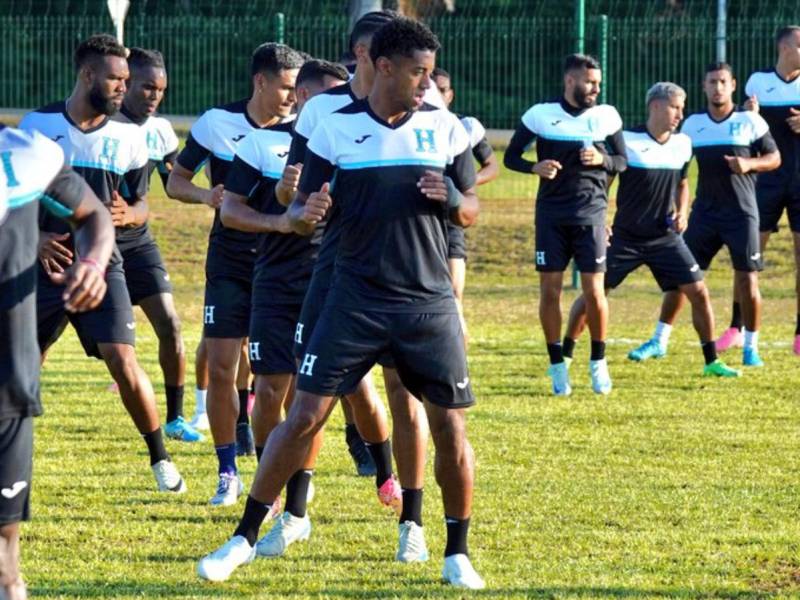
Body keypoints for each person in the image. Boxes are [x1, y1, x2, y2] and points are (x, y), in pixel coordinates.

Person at [197, 17, 485, 590]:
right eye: (418, 73)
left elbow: (472, 206)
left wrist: (453, 196)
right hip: (350, 298)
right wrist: (302, 214)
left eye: (431, 73)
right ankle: (243, 539)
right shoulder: (331, 127)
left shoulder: (444, 127)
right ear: (382, 67)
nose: (427, 84)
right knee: (305, 415)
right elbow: (302, 207)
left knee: (447, 425)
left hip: (426, 304)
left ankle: (455, 551)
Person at [22, 34, 186, 493]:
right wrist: (33, 239)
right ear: (88, 75)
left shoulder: (129, 138)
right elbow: (10, 198)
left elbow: (137, 204)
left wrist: (130, 214)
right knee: (21, 367)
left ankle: (160, 458)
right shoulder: (38, 126)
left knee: (122, 358)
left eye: (126, 81)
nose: (123, 89)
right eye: (116, 79)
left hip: (101, 265)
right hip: (43, 267)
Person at [166, 42, 305, 505]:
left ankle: (284, 467)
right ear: (260, 81)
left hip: (284, 266)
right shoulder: (216, 123)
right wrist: (206, 197)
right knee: (224, 365)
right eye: (286, 88)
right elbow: (175, 181)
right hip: (229, 259)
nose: (293, 97)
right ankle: (228, 472)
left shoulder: (306, 132)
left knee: (282, 380)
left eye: (298, 89)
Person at [0, 125, 114, 600]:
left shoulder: (27, 153)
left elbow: (94, 216)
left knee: (5, 562)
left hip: (6, 384)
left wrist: (91, 264)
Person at [563, 82, 740, 377]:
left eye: (682, 109)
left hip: (665, 238)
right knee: (593, 296)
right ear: (655, 106)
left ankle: (711, 362)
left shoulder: (682, 144)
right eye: (675, 107)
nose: (680, 115)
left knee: (699, 291)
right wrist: (601, 219)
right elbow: (602, 185)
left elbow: (683, 184)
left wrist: (682, 212)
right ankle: (565, 357)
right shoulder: (626, 140)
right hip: (625, 237)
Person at [630, 63, 780, 367]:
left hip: (742, 214)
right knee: (679, 279)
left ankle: (751, 347)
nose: (718, 88)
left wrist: (749, 165)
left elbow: (774, 157)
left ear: (733, 85)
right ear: (704, 86)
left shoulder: (749, 120)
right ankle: (659, 340)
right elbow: (676, 170)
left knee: (748, 281)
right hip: (705, 215)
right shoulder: (692, 125)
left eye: (723, 82)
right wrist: (678, 208)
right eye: (712, 82)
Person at [504, 53, 627, 396]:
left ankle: (598, 362)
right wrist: (535, 167)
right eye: (590, 82)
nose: (595, 89)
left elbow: (623, 162)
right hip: (551, 218)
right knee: (550, 292)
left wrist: (602, 159)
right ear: (570, 81)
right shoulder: (540, 115)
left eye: (598, 83)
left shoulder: (606, 117)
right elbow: (512, 156)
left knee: (594, 292)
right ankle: (558, 365)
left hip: (591, 216)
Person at [114, 47, 201, 442]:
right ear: (126, 82)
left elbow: (173, 184)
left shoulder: (161, 130)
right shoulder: (102, 123)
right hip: (90, 242)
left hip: (136, 239)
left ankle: (176, 418)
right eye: (147, 87)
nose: (154, 96)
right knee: (44, 334)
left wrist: (210, 194)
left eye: (161, 90)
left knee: (170, 323)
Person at [717, 25, 800, 354]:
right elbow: (745, 133)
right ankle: (736, 326)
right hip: (764, 183)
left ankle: (799, 332)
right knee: (747, 259)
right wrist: (750, 116)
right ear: (784, 48)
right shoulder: (757, 83)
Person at [432, 66, 499, 344]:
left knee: (454, 293)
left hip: (451, 217)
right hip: (415, 216)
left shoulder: (465, 127)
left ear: (451, 94)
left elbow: (492, 166)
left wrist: (463, 187)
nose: (436, 91)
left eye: (443, 88)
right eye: (431, 85)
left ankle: (455, 353)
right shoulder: (410, 124)